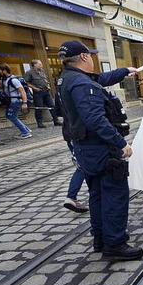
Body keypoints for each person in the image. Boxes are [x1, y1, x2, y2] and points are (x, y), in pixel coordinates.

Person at [57, 40, 142, 261]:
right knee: (114, 194)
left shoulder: (68, 78)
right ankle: (115, 244)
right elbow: (95, 119)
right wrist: (120, 143)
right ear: (84, 57)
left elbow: (101, 79)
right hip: (101, 149)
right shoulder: (83, 84)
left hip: (85, 148)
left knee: (97, 194)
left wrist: (124, 71)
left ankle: (101, 238)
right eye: (91, 55)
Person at [54, 86, 88, 214]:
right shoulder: (78, 86)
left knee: (82, 166)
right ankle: (71, 197)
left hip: (68, 132)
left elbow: (57, 111)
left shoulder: (59, 89)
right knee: (82, 167)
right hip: (78, 132)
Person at [24, 59, 62, 128]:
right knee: (39, 107)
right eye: (40, 64)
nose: (41, 65)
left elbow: (45, 80)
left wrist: (48, 85)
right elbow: (27, 83)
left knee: (52, 106)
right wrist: (35, 88)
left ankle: (56, 120)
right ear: (35, 65)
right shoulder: (29, 73)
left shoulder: (42, 71)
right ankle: (39, 122)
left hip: (46, 91)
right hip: (38, 93)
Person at [0, 64, 32, 139]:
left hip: (16, 101)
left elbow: (22, 91)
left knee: (11, 116)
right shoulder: (5, 79)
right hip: (12, 101)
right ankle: (26, 129)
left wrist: (24, 103)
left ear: (4, 71)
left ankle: (25, 132)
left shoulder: (13, 80)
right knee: (10, 116)